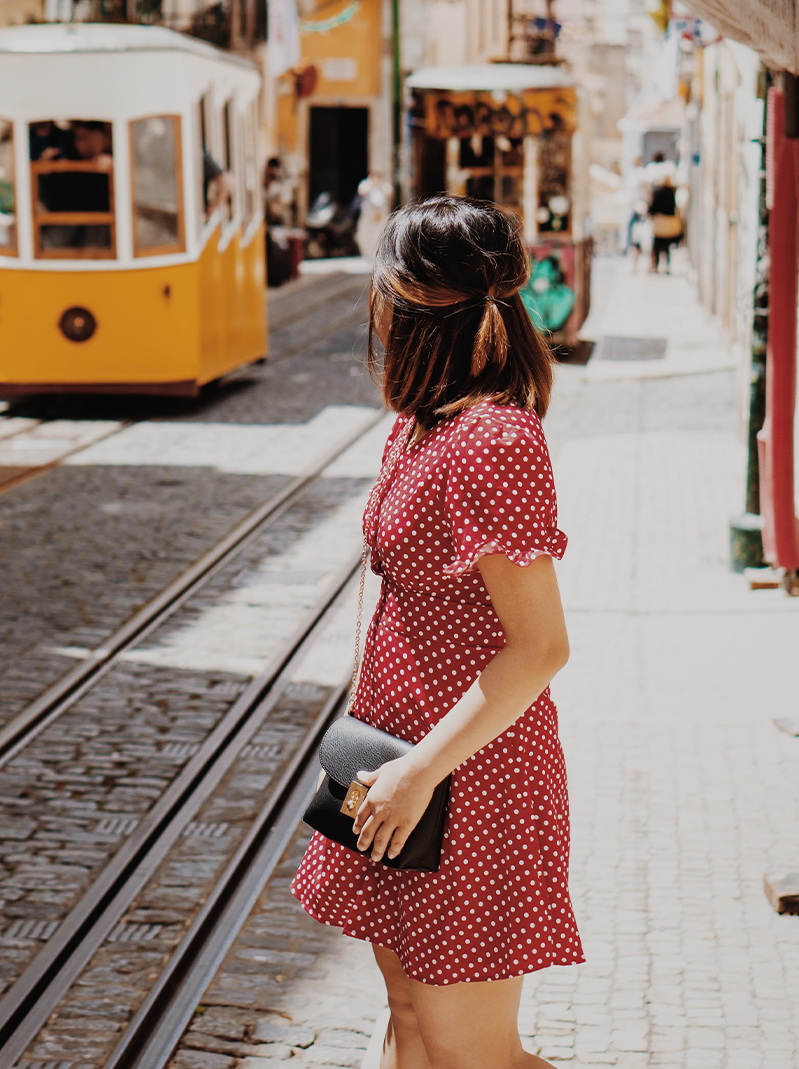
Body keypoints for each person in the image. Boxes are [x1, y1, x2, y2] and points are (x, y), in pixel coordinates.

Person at [292, 196, 582, 1069]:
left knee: (471, 1053)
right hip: (393, 769)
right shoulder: (422, 424)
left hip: (467, 779)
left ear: (401, 302)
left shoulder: (494, 437)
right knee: (412, 1022)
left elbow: (541, 647)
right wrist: (381, 755)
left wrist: (418, 773)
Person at [356, 170, 393, 261]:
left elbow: (389, 194)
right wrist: (371, 185)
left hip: (381, 214)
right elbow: (361, 191)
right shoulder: (366, 184)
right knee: (367, 234)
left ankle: (379, 252)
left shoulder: (384, 186)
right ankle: (367, 253)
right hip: (368, 214)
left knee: (379, 234)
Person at [649, 174, 681, 273]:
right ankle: (666, 266)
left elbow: (652, 208)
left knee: (657, 246)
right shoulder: (671, 193)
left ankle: (655, 266)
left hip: (659, 223)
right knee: (667, 246)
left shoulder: (657, 192)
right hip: (669, 224)